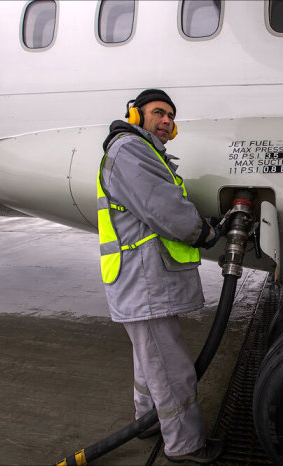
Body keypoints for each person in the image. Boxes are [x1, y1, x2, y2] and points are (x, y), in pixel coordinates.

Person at [96, 89, 222, 464]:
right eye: (158, 112)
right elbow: (163, 208)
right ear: (135, 115)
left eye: (171, 116)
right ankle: (185, 445)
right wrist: (205, 233)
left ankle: (147, 421)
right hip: (143, 281)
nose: (167, 120)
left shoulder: (141, 152)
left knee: (149, 361)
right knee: (171, 370)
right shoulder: (130, 151)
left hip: (142, 280)